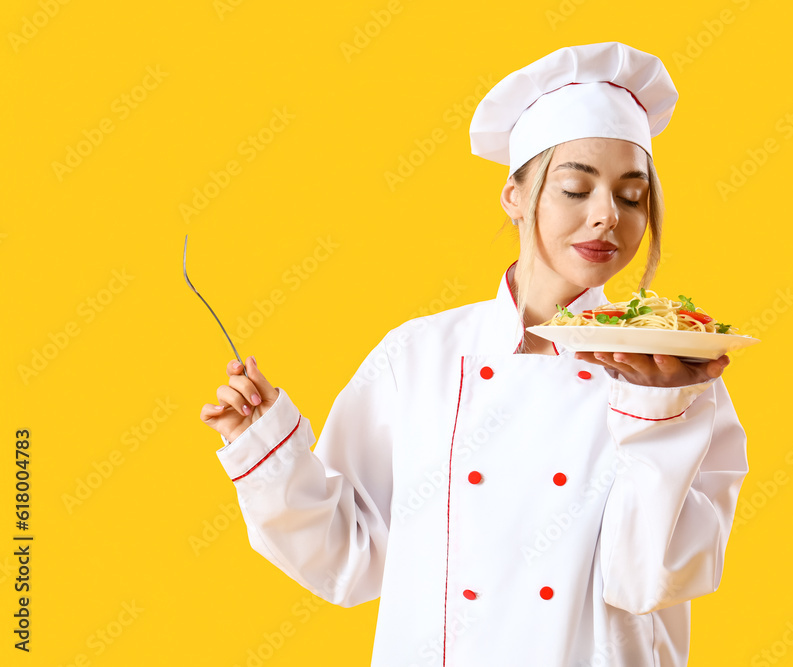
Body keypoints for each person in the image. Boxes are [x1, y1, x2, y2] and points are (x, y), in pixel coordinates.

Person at [200, 41, 749, 667]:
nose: (607, 218)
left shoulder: (674, 370)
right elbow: (347, 560)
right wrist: (266, 449)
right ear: (514, 197)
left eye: (631, 196)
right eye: (575, 188)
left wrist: (658, 416)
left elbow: (649, 580)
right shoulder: (418, 359)